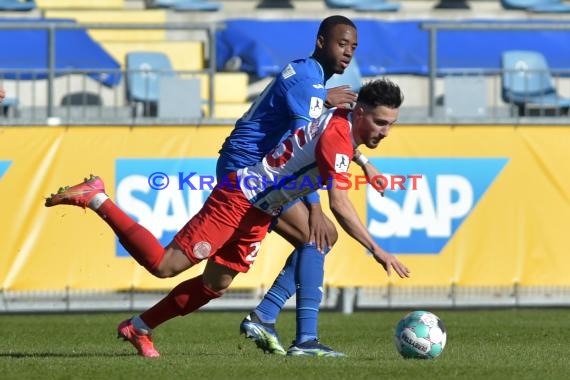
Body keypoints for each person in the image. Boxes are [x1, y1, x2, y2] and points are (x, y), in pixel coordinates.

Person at [44, 78, 410, 358]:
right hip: (239, 199)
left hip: (260, 213)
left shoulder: (345, 118)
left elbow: (342, 141)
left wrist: (367, 163)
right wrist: (377, 249)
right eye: (380, 122)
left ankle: (139, 328)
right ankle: (97, 198)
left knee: (214, 285)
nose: (385, 131)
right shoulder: (337, 138)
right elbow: (340, 205)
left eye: (391, 124)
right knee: (164, 265)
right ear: (360, 112)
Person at [218, 15, 384, 357]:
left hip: (256, 169)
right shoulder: (309, 81)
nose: (348, 52)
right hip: (246, 170)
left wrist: (364, 163)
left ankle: (266, 318)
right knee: (316, 235)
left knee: (201, 274)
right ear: (321, 41)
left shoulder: (313, 80)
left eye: (353, 47)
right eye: (342, 44)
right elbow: (301, 143)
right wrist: (315, 207)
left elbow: (319, 138)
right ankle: (301, 338)